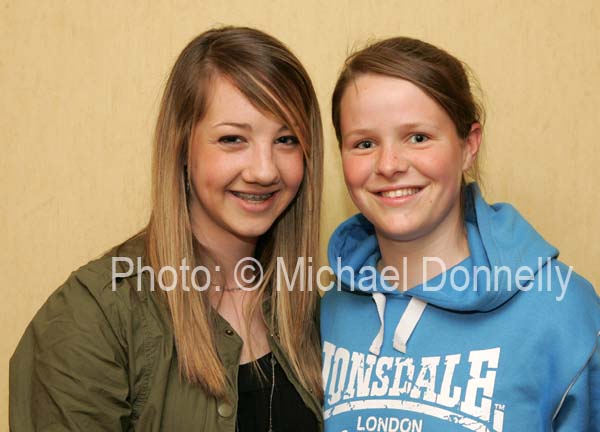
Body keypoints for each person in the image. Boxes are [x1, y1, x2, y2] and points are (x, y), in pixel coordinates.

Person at [10, 26, 323, 431]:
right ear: (181, 146)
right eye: (232, 139)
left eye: (286, 140)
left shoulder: (310, 306)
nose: (264, 170)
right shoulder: (92, 317)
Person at [320, 36, 599, 431]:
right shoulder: (330, 311)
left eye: (418, 137)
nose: (389, 164)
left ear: (468, 145)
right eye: (364, 143)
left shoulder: (562, 310)